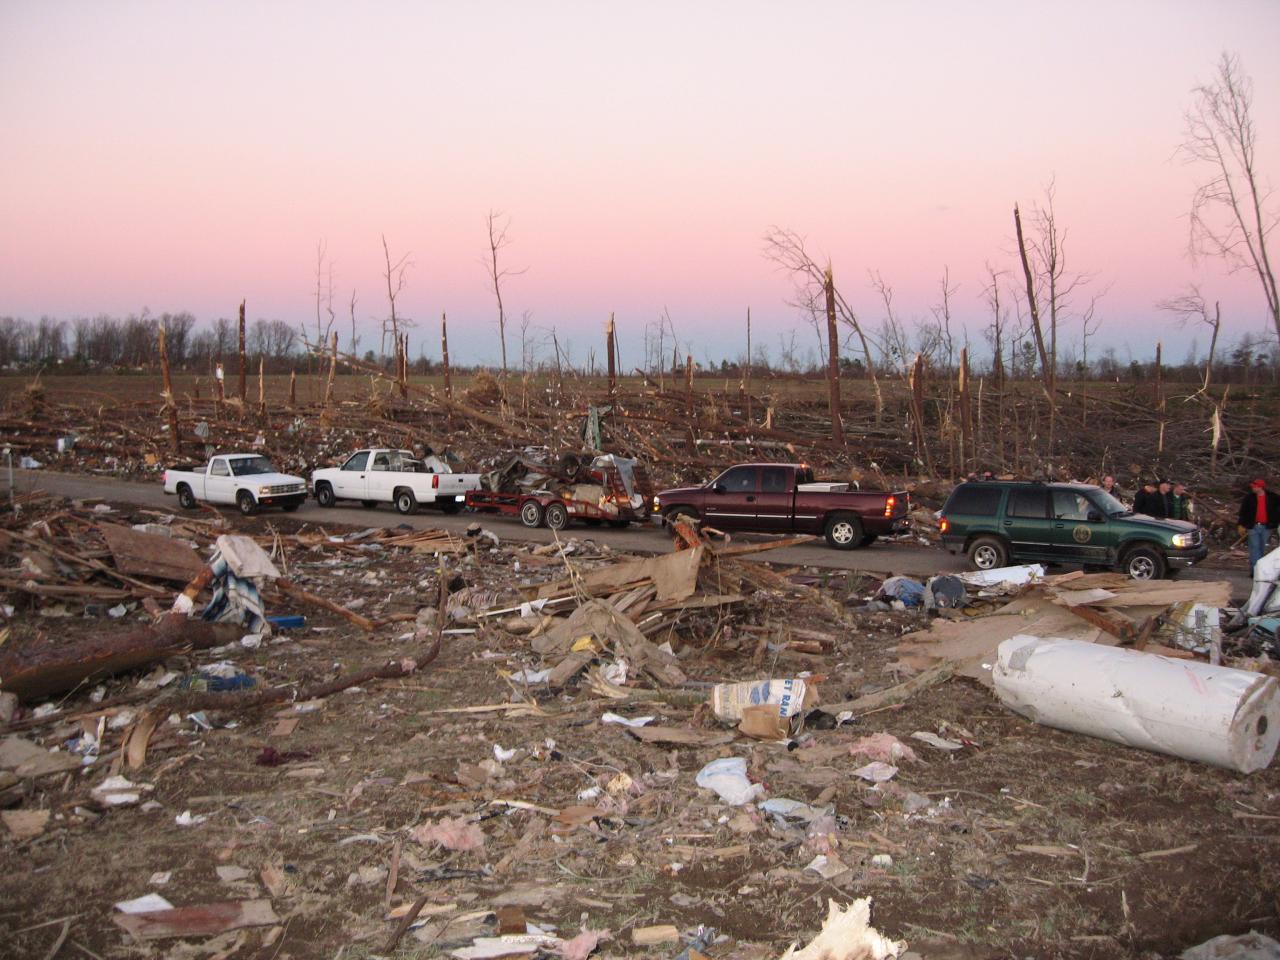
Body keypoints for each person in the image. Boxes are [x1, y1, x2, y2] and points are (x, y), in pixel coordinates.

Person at [1238, 479, 1280, 574]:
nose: (1252, 488)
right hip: (1253, 526)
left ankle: (1260, 570)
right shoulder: (1249, 498)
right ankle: (1255, 571)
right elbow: (1243, 512)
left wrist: (1276, 520)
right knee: (1254, 547)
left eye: (1254, 486)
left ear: (1260, 487)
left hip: (1266, 527)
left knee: (1261, 548)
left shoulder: (1273, 497)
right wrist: (1241, 524)